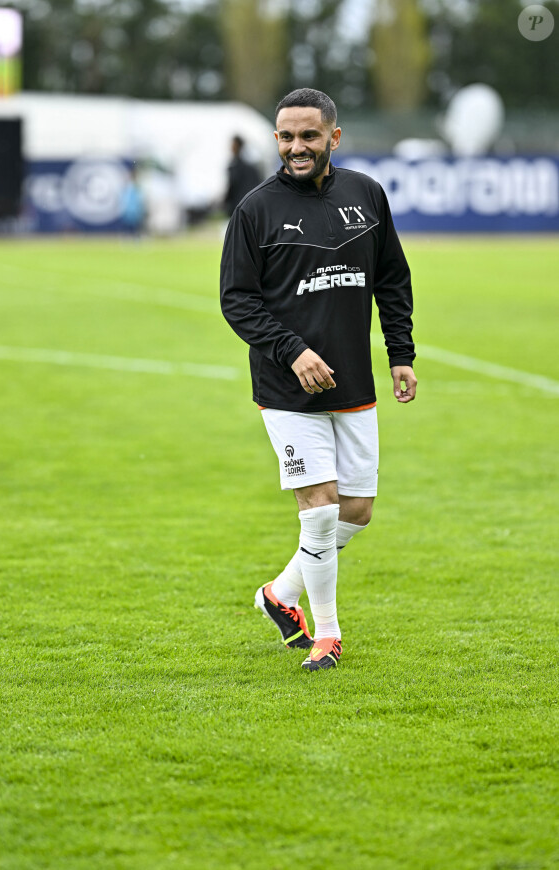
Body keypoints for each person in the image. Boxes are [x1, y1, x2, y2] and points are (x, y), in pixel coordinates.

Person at [220, 88, 417, 672]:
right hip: (287, 389)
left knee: (357, 511)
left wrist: (400, 352)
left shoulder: (366, 195)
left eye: (308, 136)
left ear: (334, 136)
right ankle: (326, 634)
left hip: (354, 383)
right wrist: (292, 351)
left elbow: (393, 278)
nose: (296, 147)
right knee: (321, 508)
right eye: (286, 136)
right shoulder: (254, 209)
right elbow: (237, 301)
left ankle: (280, 594)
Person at [224, 135, 262, 216]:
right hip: (249, 206)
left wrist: (224, 202)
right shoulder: (252, 166)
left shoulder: (235, 167)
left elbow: (232, 187)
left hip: (238, 206)